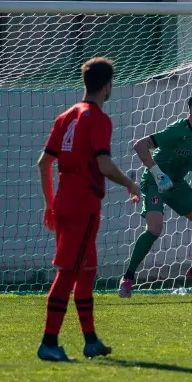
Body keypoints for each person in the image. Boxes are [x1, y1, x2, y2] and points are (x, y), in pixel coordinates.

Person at [36, 58, 141, 361]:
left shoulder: (66, 116)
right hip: (84, 205)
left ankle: (91, 340)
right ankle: (49, 342)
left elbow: (44, 163)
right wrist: (130, 184)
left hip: (65, 201)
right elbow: (104, 164)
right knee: (68, 273)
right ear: (107, 86)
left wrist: (49, 203)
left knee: (87, 271)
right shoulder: (97, 118)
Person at [120, 93, 192, 298]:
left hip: (177, 184)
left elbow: (189, 157)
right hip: (156, 182)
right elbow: (139, 146)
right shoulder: (176, 130)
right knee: (155, 229)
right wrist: (158, 173)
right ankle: (128, 277)